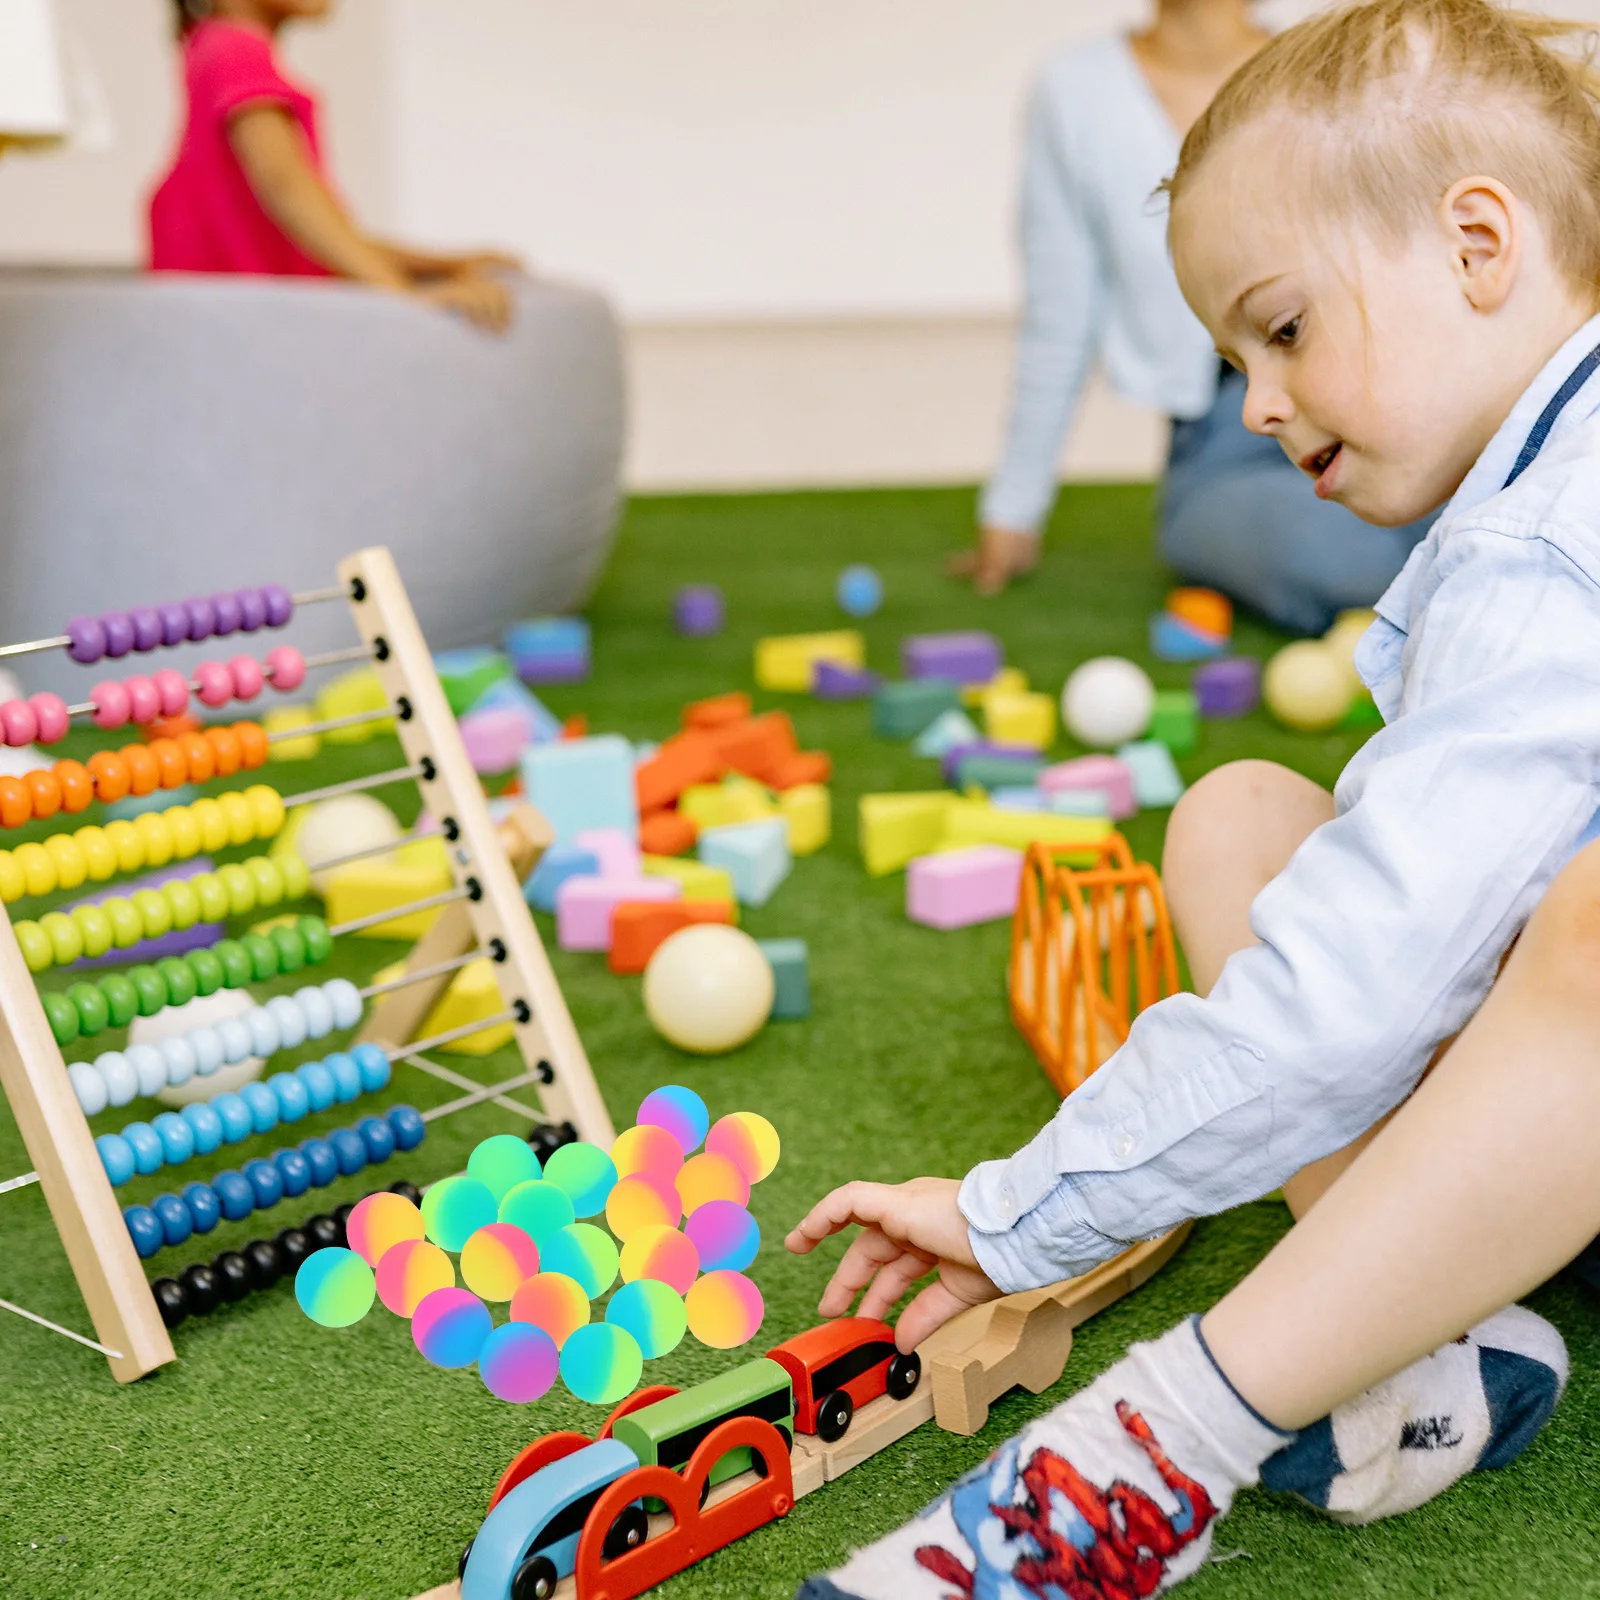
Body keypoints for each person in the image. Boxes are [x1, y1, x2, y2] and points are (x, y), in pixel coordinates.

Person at [793, 0, 1600, 1592]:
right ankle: (1420, 1335)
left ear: (1480, 244)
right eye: (1233, 358)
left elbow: (1361, 983)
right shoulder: (1520, 503)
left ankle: (1156, 1450)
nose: (1251, 404)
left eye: (1282, 330)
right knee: (1242, 811)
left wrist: (1031, 1214)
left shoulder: (1546, 542)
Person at [953, 0, 1434, 633]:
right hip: (1220, 444)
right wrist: (1014, 507)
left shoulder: (1332, 62)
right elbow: (1059, 317)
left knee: (1471, 515)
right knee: (1355, 555)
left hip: (1386, 407)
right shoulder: (1076, 92)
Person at [148, 0, 517, 332]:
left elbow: (314, 234)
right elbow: (285, 185)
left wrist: (440, 265)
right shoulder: (236, 50)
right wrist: (402, 297)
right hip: (247, 339)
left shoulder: (211, 50)